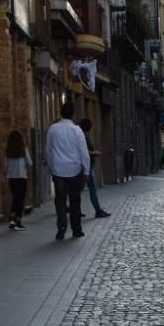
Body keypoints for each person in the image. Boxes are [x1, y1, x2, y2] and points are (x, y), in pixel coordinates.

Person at [45, 101, 91, 240]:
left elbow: (48, 150)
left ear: (61, 113)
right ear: (72, 114)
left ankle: (61, 228)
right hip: (74, 170)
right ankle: (76, 229)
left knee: (60, 201)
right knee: (75, 200)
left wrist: (51, 167)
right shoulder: (77, 130)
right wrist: (86, 171)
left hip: (58, 170)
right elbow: (84, 152)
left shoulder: (53, 129)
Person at [78, 119, 111, 218]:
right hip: (86, 167)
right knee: (91, 189)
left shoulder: (82, 135)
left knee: (80, 190)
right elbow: (84, 152)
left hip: (85, 166)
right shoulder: (83, 136)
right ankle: (97, 210)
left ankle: (76, 210)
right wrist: (94, 153)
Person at [4, 130, 32, 231]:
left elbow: (5, 166)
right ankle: (18, 221)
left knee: (15, 198)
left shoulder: (8, 151)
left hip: (11, 177)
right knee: (20, 199)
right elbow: (29, 163)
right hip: (21, 177)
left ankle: (12, 219)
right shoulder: (23, 150)